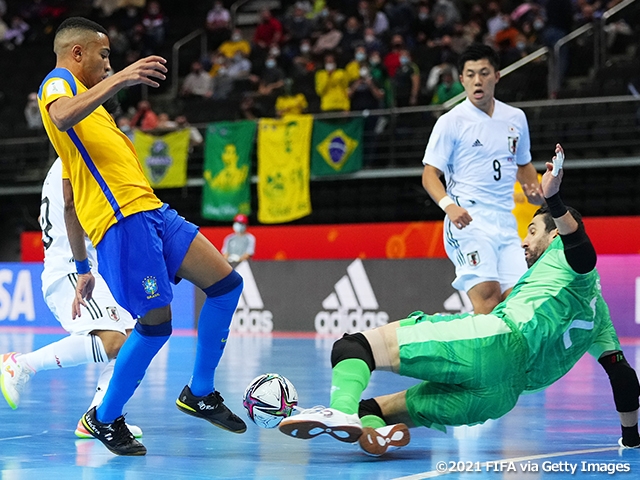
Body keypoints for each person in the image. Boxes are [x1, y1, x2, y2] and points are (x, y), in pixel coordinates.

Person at [279, 144, 640, 456]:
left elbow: (582, 253)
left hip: (495, 342)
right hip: (501, 398)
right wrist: (631, 437)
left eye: (531, 231)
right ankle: (374, 430)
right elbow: (622, 376)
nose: (524, 242)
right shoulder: (601, 320)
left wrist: (554, 199)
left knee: (354, 347)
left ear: (556, 233)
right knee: (374, 407)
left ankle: (339, 409)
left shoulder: (568, 254)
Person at [36, 17, 245, 456]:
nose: (110, 63)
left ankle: (199, 391)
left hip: (153, 213)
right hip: (122, 225)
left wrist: (81, 268)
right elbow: (59, 113)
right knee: (155, 327)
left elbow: (72, 202)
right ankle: (104, 418)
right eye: (104, 54)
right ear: (77, 54)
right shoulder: (58, 85)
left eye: (113, 58)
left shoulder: (94, 121)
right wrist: (127, 77)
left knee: (227, 284)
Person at [0, 158, 142, 440]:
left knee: (133, 339)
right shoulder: (77, 156)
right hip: (72, 268)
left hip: (90, 268)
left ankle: (101, 416)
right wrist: (82, 268)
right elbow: (73, 208)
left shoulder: (72, 158)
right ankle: (21, 363)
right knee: (113, 341)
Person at [421, 43, 543, 315]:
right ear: (462, 79)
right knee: (488, 301)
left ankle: (508, 358)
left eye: (485, 73)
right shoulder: (451, 121)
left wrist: (532, 187)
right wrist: (448, 206)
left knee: (518, 305)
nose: (478, 80)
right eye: (471, 74)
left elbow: (523, 164)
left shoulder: (516, 118)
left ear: (497, 76)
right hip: (468, 220)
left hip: (506, 221)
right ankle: (482, 358)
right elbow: (429, 175)